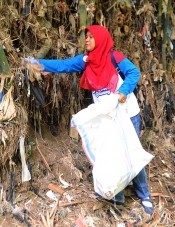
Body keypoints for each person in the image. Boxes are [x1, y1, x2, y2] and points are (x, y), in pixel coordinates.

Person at [23, 25, 153, 215]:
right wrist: (36, 63)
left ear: (100, 39)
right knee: (110, 155)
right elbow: (63, 65)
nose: (87, 40)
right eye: (86, 37)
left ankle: (145, 195)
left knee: (131, 154)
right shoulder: (86, 61)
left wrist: (123, 91)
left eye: (91, 37)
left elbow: (134, 73)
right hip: (107, 117)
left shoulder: (114, 57)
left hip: (127, 113)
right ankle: (117, 194)